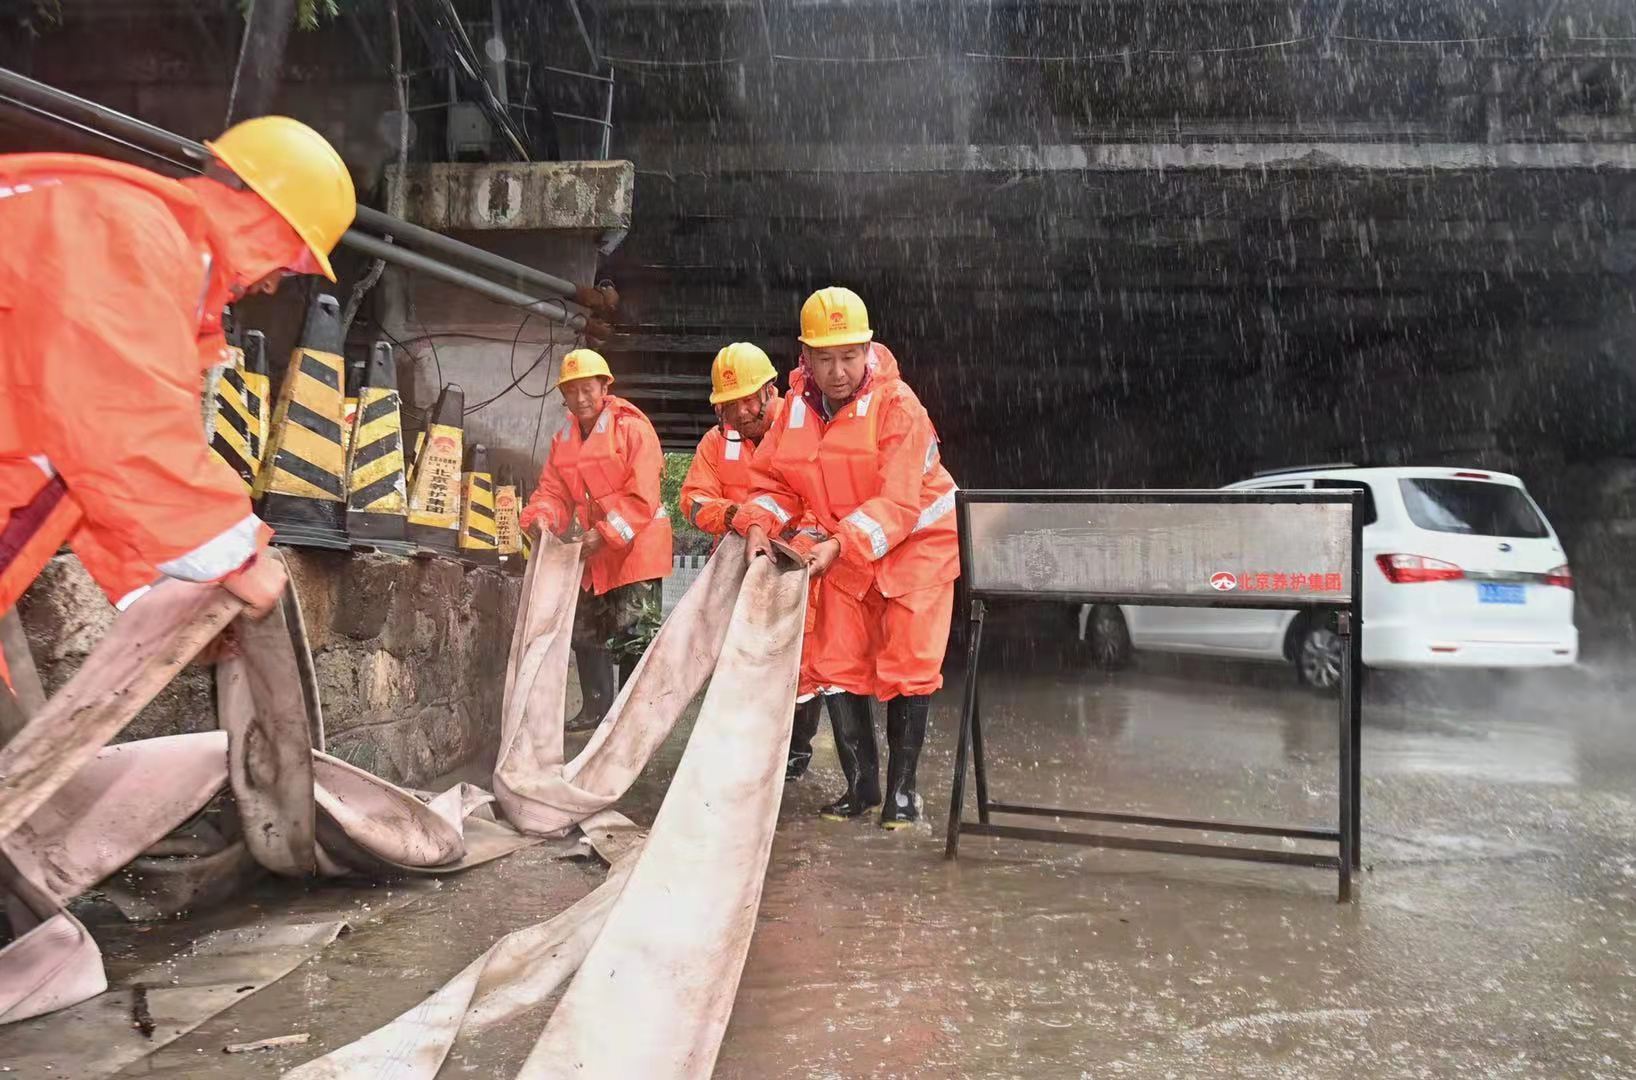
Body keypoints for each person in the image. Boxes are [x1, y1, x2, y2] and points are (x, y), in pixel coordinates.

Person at [0, 116, 358, 690]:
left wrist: (165, 600)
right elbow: (124, 433)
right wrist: (239, 561)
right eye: (291, 266)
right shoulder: (129, 236)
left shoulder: (132, 239)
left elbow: (92, 479)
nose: (271, 285)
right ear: (269, 227)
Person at [735, 287, 959, 829]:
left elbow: (900, 501)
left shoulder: (899, 405)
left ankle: (902, 796)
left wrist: (839, 543)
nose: (838, 371)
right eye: (826, 357)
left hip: (916, 549)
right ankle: (862, 788)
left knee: (908, 667)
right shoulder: (793, 411)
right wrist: (759, 524)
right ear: (804, 355)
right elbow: (774, 482)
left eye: (849, 356)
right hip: (845, 548)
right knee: (836, 664)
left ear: (867, 348)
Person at [679, 342, 824, 781]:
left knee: (803, 662)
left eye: (746, 399)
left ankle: (795, 754)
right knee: (740, 657)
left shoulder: (808, 428)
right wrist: (736, 517)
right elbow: (692, 500)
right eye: (727, 404)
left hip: (801, 563)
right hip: (743, 565)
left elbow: (829, 497)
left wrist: (800, 544)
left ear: (769, 390)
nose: (739, 412)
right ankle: (747, 746)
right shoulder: (715, 443)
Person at [522, 348, 672, 732]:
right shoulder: (564, 440)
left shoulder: (633, 430)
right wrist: (541, 519)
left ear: (605, 386)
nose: (580, 398)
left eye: (587, 389)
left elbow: (642, 497)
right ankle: (595, 711)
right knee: (585, 631)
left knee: (634, 635)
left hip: (636, 550)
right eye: (571, 392)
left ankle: (631, 723)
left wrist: (604, 534)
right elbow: (553, 493)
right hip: (594, 552)